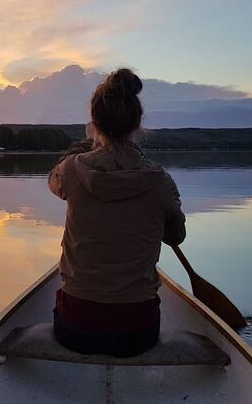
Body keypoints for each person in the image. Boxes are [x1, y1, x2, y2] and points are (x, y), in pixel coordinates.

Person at [48, 67, 186, 357]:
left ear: (95, 124)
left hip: (75, 327)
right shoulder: (160, 182)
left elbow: (54, 181)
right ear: (137, 125)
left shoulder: (71, 171)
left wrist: (85, 146)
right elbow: (176, 237)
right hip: (138, 332)